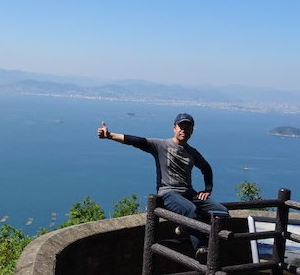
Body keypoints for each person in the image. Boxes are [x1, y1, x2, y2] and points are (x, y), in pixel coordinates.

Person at [97, 113, 228, 263]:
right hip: (168, 193)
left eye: (188, 127)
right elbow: (136, 141)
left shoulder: (192, 152)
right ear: (174, 128)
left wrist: (207, 189)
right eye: (181, 126)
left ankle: (185, 227)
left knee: (222, 212)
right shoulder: (161, 145)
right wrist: (110, 135)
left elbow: (206, 168)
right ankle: (201, 248)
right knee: (190, 210)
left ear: (192, 131)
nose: (184, 130)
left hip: (189, 194)